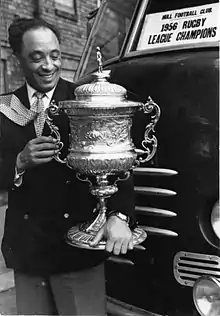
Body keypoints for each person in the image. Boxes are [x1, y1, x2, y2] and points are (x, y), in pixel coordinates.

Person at [0, 18, 135, 315]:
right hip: (28, 252)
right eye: (36, 57)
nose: (48, 65)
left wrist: (120, 215)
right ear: (18, 58)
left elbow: (119, 164)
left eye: (55, 55)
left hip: (75, 251)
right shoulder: (5, 108)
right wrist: (19, 162)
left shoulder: (84, 102)